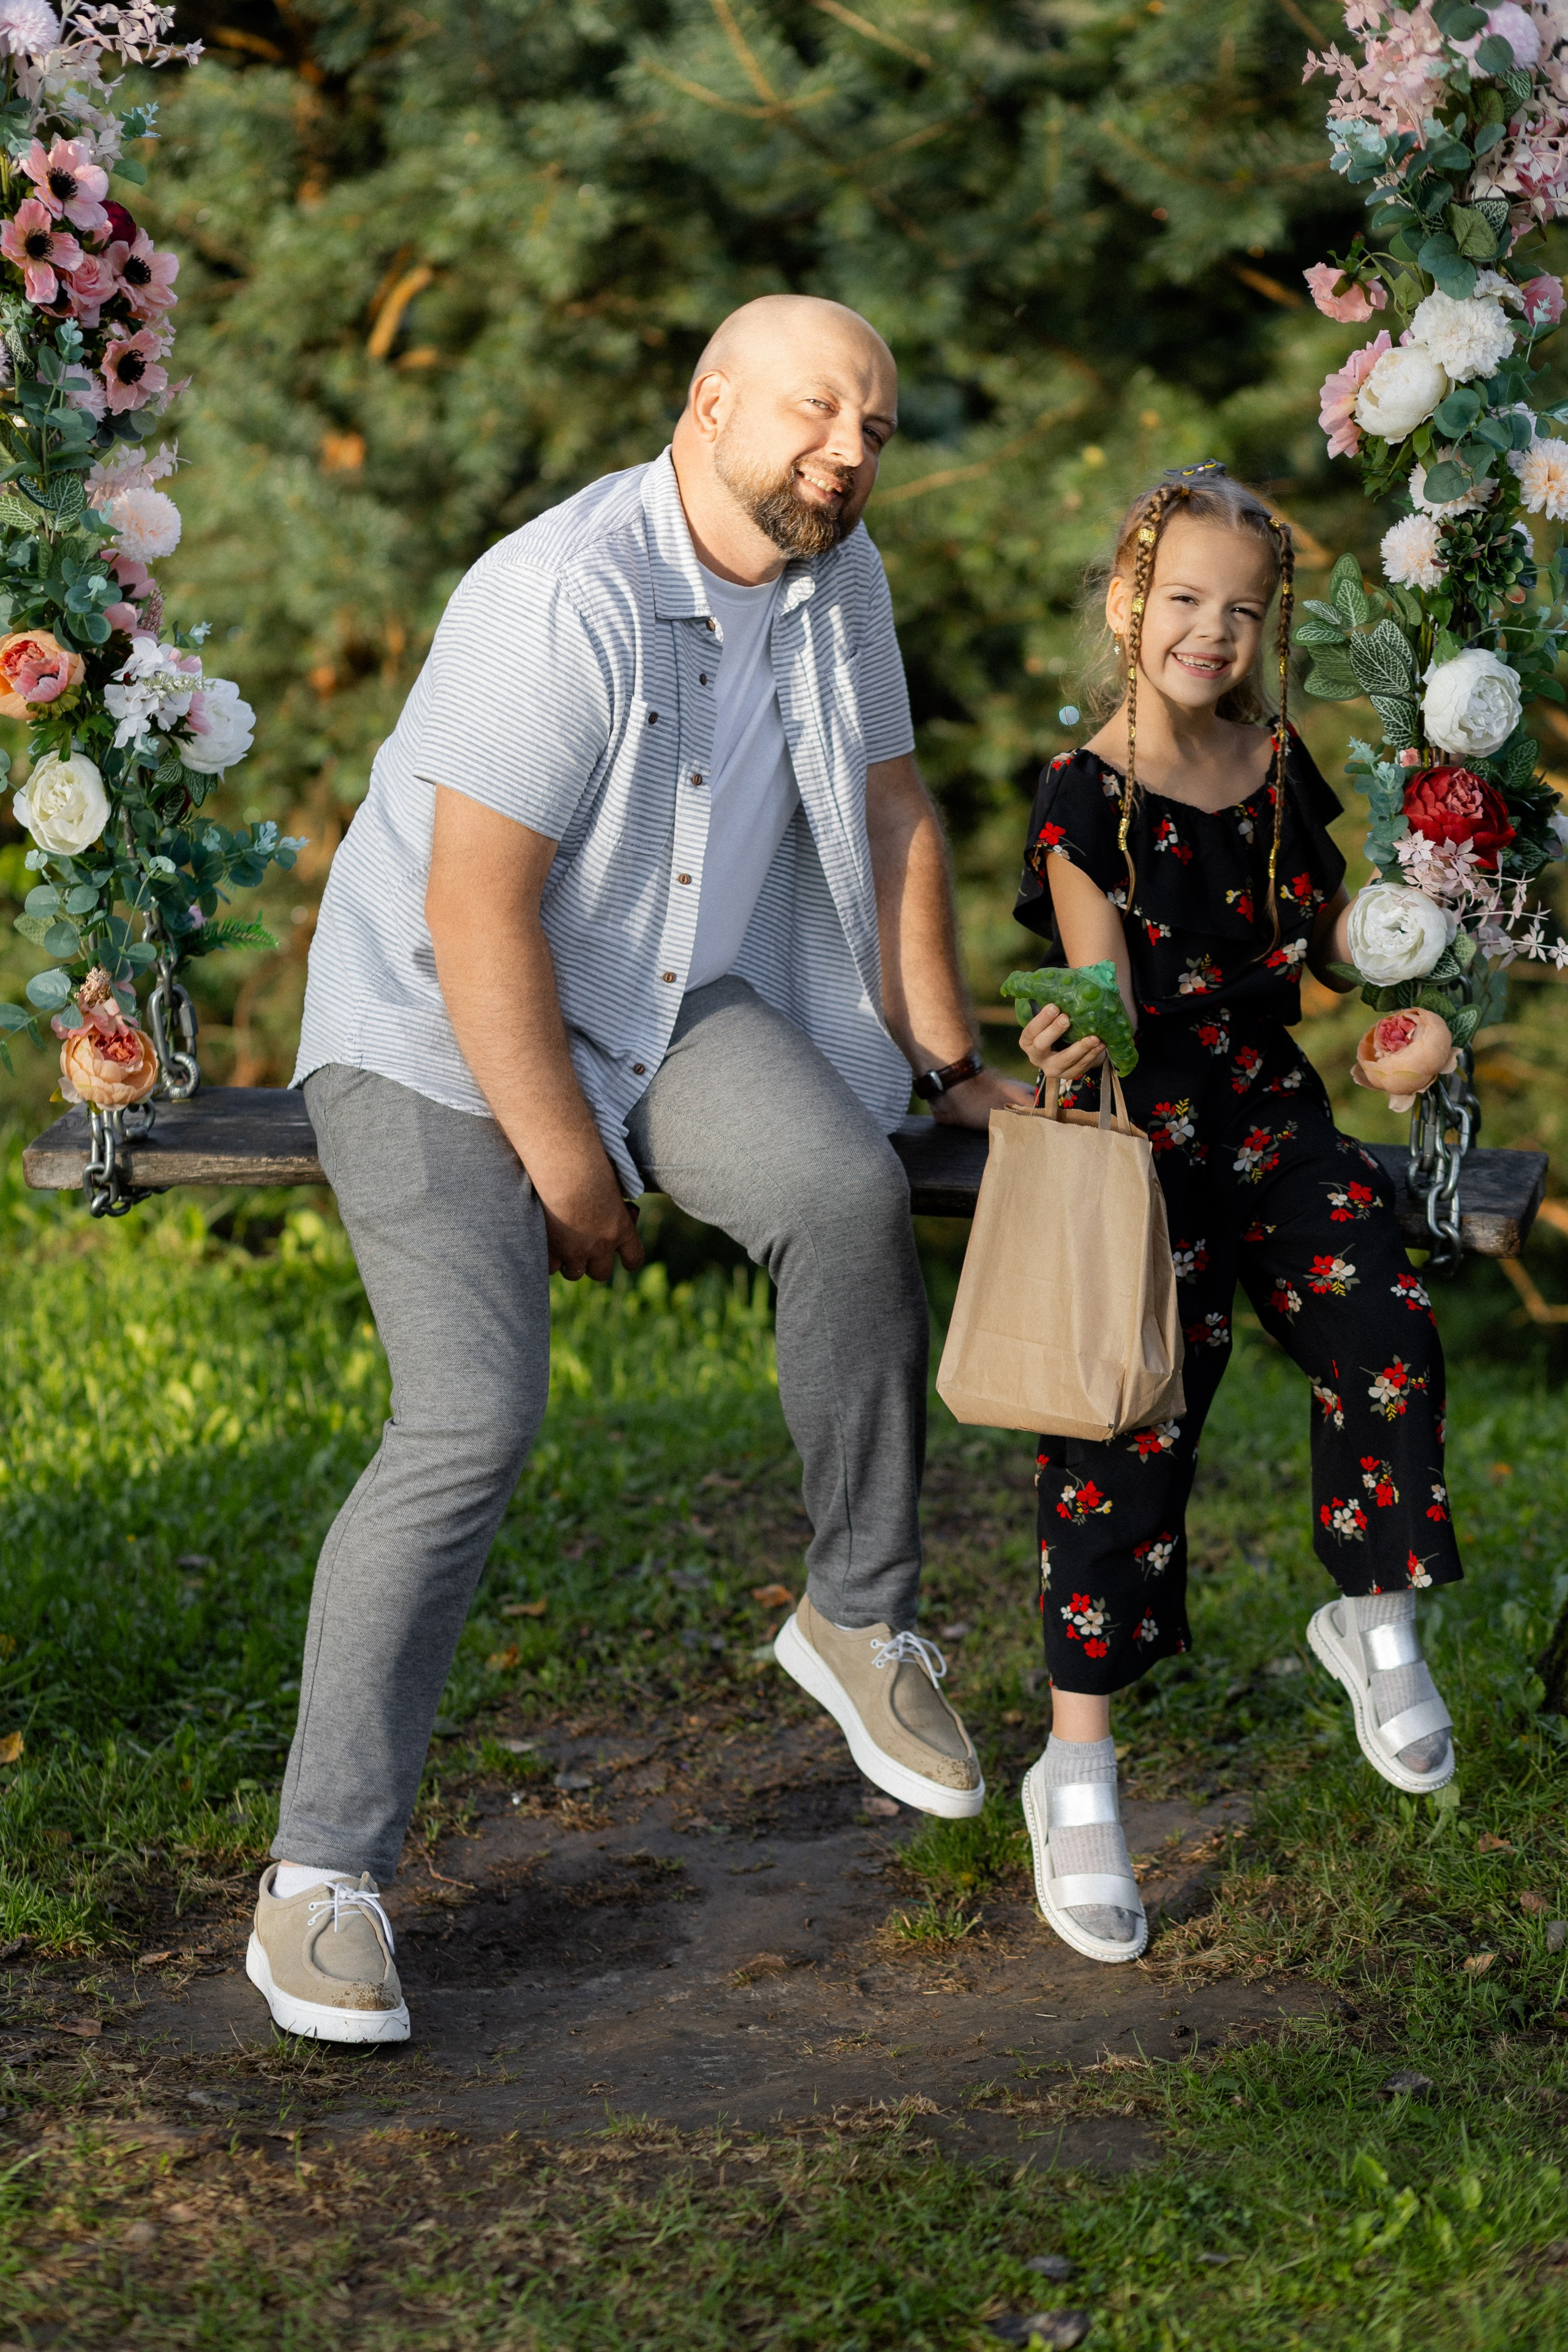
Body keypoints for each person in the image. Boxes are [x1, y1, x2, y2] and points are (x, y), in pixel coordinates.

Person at [244, 294, 1031, 2043]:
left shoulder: (844, 582)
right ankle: (319, 1885)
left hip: (673, 999)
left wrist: (951, 1063)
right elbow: (471, 914)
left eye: (878, 427)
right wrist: (568, 1172)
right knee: (473, 1417)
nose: (849, 451)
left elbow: (896, 810)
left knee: (843, 1197)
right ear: (711, 402)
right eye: (819, 412)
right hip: (442, 1027)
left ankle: (859, 1620)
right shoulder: (565, 594)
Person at [1010, 462, 1460, 1969]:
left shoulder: (1270, 763)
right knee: (1125, 1433)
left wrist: (1396, 939)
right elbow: (1095, 979)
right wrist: (1070, 1029)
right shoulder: (1084, 792)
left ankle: (1373, 1618)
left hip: (1270, 1120)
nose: (1210, 631)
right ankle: (1076, 1772)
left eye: (1240, 610)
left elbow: (1325, 945)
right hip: (1142, 1140)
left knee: (1383, 1323)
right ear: (1128, 601)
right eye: (1184, 601)